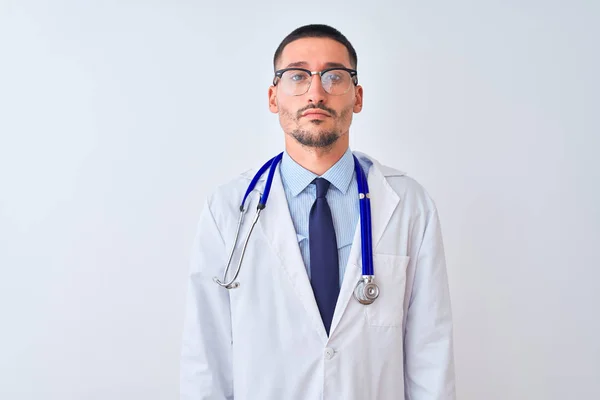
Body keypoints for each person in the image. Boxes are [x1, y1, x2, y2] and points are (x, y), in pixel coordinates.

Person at [180, 24, 456, 400]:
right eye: (297, 76)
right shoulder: (229, 208)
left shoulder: (408, 204)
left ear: (357, 97)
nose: (316, 91)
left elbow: (430, 353)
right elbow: (205, 355)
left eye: (334, 76)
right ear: (273, 97)